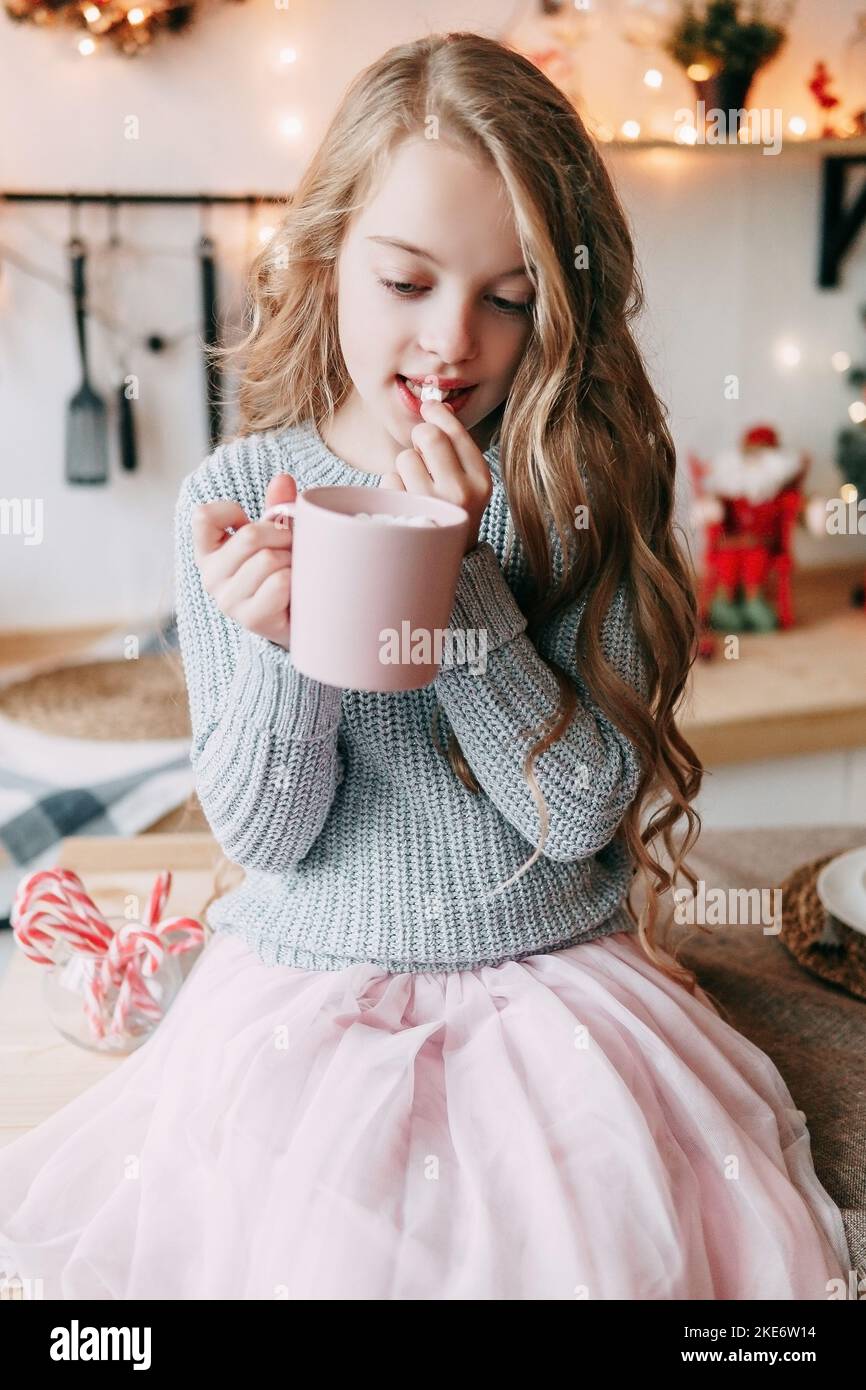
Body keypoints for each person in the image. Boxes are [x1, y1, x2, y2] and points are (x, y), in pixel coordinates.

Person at [0, 32, 851, 1300]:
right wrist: (284, 646)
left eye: (507, 297)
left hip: (546, 981)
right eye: (405, 281)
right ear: (325, 254)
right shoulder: (238, 494)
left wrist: (450, 582)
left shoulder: (577, 483)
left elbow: (576, 817)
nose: (451, 342)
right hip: (303, 981)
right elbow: (264, 835)